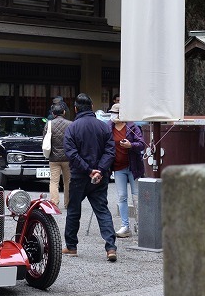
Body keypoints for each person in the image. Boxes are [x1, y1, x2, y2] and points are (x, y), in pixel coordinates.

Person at [63, 92, 117, 262]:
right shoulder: (104, 127)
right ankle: (110, 248)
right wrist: (99, 170)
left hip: (80, 175)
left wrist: (88, 170)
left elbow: (71, 154)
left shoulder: (72, 128)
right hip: (100, 176)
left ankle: (71, 246)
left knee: (73, 210)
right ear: (92, 108)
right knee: (102, 209)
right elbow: (110, 151)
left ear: (76, 108)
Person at [108, 101, 144, 238]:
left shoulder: (132, 127)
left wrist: (131, 145)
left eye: (115, 113)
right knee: (122, 196)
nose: (112, 116)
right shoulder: (108, 127)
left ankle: (141, 225)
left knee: (136, 196)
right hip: (118, 167)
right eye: (112, 113)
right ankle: (125, 226)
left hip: (133, 166)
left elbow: (141, 144)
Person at [43, 99, 72, 209]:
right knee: (68, 181)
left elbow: (45, 139)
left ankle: (54, 203)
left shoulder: (49, 124)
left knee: (54, 181)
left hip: (54, 158)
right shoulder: (70, 124)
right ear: (64, 112)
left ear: (53, 113)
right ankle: (68, 203)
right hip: (67, 157)